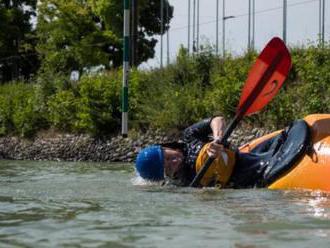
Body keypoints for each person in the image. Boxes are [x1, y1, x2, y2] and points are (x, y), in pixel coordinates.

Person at [135, 116, 237, 187]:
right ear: (168, 176)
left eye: (168, 157)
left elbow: (217, 119)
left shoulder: (189, 137)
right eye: (169, 168)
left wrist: (217, 139)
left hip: (239, 161)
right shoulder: (183, 184)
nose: (175, 161)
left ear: (166, 148)